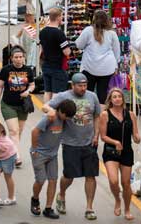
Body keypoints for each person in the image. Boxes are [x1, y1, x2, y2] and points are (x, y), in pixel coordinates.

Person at [43, 73, 101, 221]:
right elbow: (46, 105)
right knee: (69, 176)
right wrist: (50, 111)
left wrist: (96, 136)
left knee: (91, 175)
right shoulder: (64, 96)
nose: (83, 88)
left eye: (85, 85)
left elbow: (97, 116)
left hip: (89, 143)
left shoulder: (92, 96)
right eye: (80, 86)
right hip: (70, 143)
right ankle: (61, 194)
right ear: (72, 85)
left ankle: (89, 207)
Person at [30, 99, 77, 219]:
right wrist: (34, 150)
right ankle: (35, 199)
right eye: (66, 116)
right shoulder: (50, 118)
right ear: (60, 111)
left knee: (53, 180)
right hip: (39, 153)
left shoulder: (65, 119)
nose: (67, 119)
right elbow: (35, 131)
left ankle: (48, 208)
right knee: (40, 180)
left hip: (53, 155)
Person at [100, 88, 141, 221]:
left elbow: (135, 134)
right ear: (110, 100)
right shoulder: (105, 114)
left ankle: (127, 209)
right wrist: (115, 142)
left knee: (126, 183)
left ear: (123, 99)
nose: (117, 99)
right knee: (113, 180)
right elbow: (103, 136)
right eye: (114, 97)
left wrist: (137, 138)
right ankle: (117, 199)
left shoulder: (130, 114)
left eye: (119, 96)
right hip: (111, 151)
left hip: (126, 152)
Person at [0, 47, 35, 167]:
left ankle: (9, 150)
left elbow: (32, 85)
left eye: (20, 57)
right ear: (11, 58)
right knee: (14, 131)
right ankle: (17, 157)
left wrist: (28, 91)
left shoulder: (28, 70)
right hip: (8, 105)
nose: (18, 59)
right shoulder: (6, 70)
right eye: (16, 57)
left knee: (19, 132)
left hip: (23, 106)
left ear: (24, 58)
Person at [75, 10, 120, 105]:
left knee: (87, 92)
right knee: (103, 94)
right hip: (107, 68)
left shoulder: (88, 31)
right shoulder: (112, 33)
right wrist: (116, 66)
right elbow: (116, 51)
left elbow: (79, 45)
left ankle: (88, 115)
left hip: (89, 67)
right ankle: (102, 116)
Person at [39, 8, 71, 102]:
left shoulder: (43, 31)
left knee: (47, 91)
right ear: (58, 17)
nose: (62, 18)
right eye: (62, 16)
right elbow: (67, 52)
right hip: (57, 66)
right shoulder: (59, 33)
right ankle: (53, 111)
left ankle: (46, 111)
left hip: (46, 64)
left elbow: (41, 49)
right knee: (57, 92)